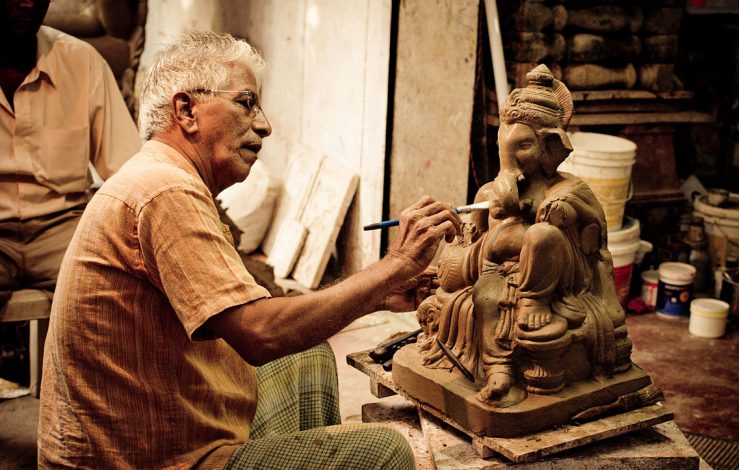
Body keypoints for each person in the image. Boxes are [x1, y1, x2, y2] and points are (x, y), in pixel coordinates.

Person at [37, 30, 460, 469]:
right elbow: (261, 334)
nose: (265, 125)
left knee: (308, 355)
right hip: (139, 459)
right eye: (246, 102)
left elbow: (251, 317)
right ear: (187, 111)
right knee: (384, 453)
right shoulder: (164, 190)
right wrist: (395, 265)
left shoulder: (164, 178)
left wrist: (375, 294)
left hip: (156, 426)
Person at [414, 65, 633, 406]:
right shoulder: (491, 192)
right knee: (485, 296)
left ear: (551, 147)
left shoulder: (568, 188)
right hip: (500, 274)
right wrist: (486, 230)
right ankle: (499, 371)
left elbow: (590, 241)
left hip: (558, 280)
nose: (511, 159)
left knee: (541, 236)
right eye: (506, 146)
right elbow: (464, 254)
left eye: (525, 146)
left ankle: (534, 301)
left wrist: (556, 214)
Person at [0, 0, 141, 380]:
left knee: (125, 295)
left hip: (63, 227)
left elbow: (129, 171)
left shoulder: (82, 62)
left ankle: (83, 424)